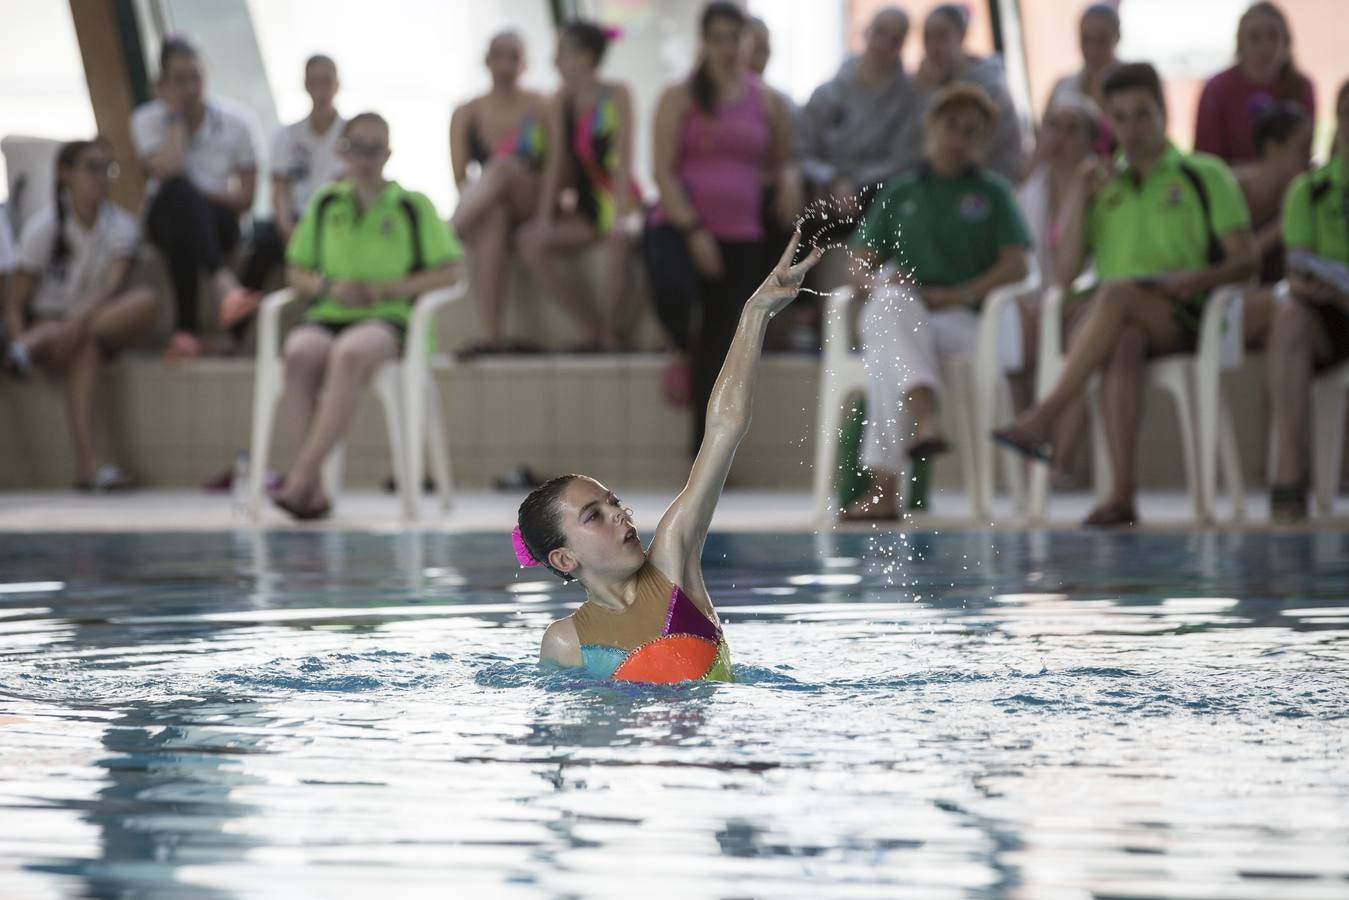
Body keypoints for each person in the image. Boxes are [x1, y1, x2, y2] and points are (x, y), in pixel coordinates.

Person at [517, 233, 819, 681]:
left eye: (614, 503)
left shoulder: (673, 565)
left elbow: (724, 431)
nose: (621, 515)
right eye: (593, 516)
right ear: (564, 559)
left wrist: (754, 315)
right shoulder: (564, 643)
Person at [994, 63, 1258, 526]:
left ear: (1162, 113)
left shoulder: (1205, 174)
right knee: (1123, 340)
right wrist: (1078, 194)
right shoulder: (1102, 183)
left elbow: (1247, 260)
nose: (1131, 129)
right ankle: (1121, 495)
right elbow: (1065, 272)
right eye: (1120, 118)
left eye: (1142, 115)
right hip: (1116, 319)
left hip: (1186, 312)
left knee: (1115, 296)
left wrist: (1195, 279)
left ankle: (1044, 416)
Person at [841, 84, 1032, 521]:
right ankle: (925, 417)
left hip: (967, 323)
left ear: (982, 141)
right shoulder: (901, 190)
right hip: (911, 314)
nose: (958, 137)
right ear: (930, 126)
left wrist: (960, 293)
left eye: (971, 131)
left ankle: (883, 489)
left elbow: (1017, 266)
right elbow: (858, 266)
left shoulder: (993, 193)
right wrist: (878, 282)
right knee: (891, 306)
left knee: (887, 348)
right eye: (951, 125)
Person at [272, 113, 463, 520]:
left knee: (349, 353)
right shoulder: (326, 203)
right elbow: (296, 270)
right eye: (357, 146)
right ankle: (315, 492)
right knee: (299, 352)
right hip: (331, 310)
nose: (365, 157)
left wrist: (387, 289)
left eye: (374, 147)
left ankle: (300, 478)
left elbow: (449, 272)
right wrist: (329, 288)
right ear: (343, 151)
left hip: (389, 318)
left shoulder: (413, 205)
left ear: (388, 152)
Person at [644, 1, 798, 452]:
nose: (729, 48)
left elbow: (782, 159)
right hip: (680, 225)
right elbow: (662, 172)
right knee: (674, 290)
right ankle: (676, 345)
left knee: (721, 347)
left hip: (742, 233)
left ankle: (704, 458)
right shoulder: (680, 96)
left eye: (738, 38)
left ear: (750, 40)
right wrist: (694, 232)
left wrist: (788, 179)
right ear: (705, 42)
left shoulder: (767, 101)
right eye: (720, 38)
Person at [1, 140, 157, 490]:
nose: (102, 177)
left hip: (100, 319)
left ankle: (27, 346)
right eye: (91, 167)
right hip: (54, 326)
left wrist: (71, 323)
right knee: (86, 348)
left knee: (143, 301)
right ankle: (88, 465)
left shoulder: (121, 226)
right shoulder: (42, 228)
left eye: (108, 168)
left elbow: (112, 289)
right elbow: (15, 301)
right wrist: (16, 331)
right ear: (65, 174)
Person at [131, 36, 260, 360]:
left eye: (196, 77)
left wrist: (200, 195)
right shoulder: (147, 120)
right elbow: (168, 170)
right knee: (177, 196)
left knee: (184, 207)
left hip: (219, 221)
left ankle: (185, 331)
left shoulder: (238, 123)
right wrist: (174, 118)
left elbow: (246, 198)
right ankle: (223, 284)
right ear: (161, 84)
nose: (190, 88)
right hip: (166, 216)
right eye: (179, 80)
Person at [516, 21, 640, 351]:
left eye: (562, 54)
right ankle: (591, 327)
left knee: (619, 242)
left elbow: (625, 155)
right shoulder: (560, 100)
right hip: (587, 205)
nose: (555, 62)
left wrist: (620, 215)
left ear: (586, 57)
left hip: (618, 195)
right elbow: (556, 160)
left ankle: (612, 333)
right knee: (530, 243)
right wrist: (543, 217)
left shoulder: (618, 93)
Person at [1265, 81, 1349, 522]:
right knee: (1290, 315)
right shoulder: (1309, 189)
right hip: (1331, 313)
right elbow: (1298, 269)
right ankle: (1291, 471)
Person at [220, 55, 347, 332]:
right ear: (305, 84)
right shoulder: (285, 136)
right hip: (293, 221)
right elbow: (279, 191)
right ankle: (235, 328)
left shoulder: (351, 135)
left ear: (337, 84)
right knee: (262, 246)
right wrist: (287, 228)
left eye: (326, 82)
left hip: (333, 221)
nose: (321, 90)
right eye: (315, 82)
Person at [1014, 92, 1103, 486]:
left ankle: (1060, 463)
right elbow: (1020, 266)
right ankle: (1024, 461)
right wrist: (1028, 303)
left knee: (1078, 336)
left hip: (1086, 299)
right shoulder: (1027, 193)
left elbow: (1095, 265)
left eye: (1072, 129)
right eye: (1053, 126)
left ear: (1090, 139)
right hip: (1040, 302)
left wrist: (1060, 301)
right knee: (1015, 335)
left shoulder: (1101, 186)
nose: (1060, 137)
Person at [449, 31, 548, 354]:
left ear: (524, 64)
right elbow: (460, 177)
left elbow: (558, 168)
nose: (505, 65)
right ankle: (493, 336)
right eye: (499, 56)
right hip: (495, 205)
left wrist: (546, 216)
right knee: (492, 217)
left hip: (533, 199)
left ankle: (450, 234)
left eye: (514, 57)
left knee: (503, 167)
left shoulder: (542, 106)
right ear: (487, 61)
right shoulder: (467, 112)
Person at [797, 7, 919, 232]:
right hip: (823, 194)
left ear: (902, 46)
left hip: (878, 198)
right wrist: (833, 179)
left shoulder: (910, 100)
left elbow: (902, 161)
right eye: (880, 32)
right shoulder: (826, 93)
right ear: (866, 32)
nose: (884, 44)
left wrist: (854, 184)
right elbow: (801, 153)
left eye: (895, 39)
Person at [907, 3, 1026, 182]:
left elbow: (957, 146)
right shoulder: (925, 81)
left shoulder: (990, 85)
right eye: (927, 37)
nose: (933, 46)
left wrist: (929, 92)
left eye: (941, 36)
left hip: (989, 182)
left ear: (961, 36)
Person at [1194, 2, 1314, 165]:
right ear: (1240, 45)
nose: (1265, 46)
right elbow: (1205, 162)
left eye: (1273, 36)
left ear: (1286, 44)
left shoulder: (1302, 87)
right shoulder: (1216, 90)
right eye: (1254, 38)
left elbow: (1304, 155)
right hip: (1227, 185)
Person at [1048, 3, 1121, 110]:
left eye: (1102, 40)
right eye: (1086, 40)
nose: (1093, 50)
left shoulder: (1135, 87)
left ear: (1117, 37)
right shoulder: (1063, 88)